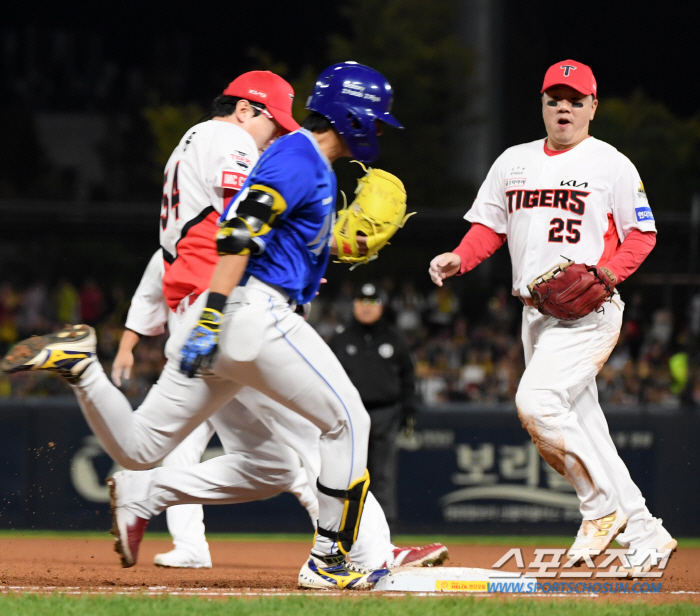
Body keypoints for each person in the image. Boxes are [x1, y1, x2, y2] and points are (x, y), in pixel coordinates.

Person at [2, 62, 446, 590]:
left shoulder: (297, 159)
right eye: (372, 121)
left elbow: (264, 231)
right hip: (250, 313)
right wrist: (214, 312)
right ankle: (331, 560)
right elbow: (238, 230)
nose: (376, 132)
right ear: (348, 118)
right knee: (348, 422)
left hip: (224, 320)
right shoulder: (294, 155)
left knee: (141, 450)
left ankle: (82, 368)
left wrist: (329, 247)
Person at [428, 59, 675, 574]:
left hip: (590, 309)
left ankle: (599, 505)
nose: (564, 107)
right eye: (554, 98)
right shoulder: (513, 162)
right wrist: (460, 257)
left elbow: (643, 235)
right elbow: (489, 227)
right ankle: (648, 533)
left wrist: (607, 274)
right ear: (542, 104)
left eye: (575, 99)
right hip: (536, 316)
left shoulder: (611, 164)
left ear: (592, 107)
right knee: (588, 428)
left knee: (537, 402)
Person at [329, 283, 419, 527]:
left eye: (372, 302)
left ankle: (383, 529)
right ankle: (346, 527)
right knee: (348, 473)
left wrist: (409, 411)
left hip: (385, 412)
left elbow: (409, 378)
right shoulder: (340, 338)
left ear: (381, 306)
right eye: (361, 302)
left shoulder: (394, 338)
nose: (366, 308)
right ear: (354, 305)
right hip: (348, 415)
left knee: (382, 475)